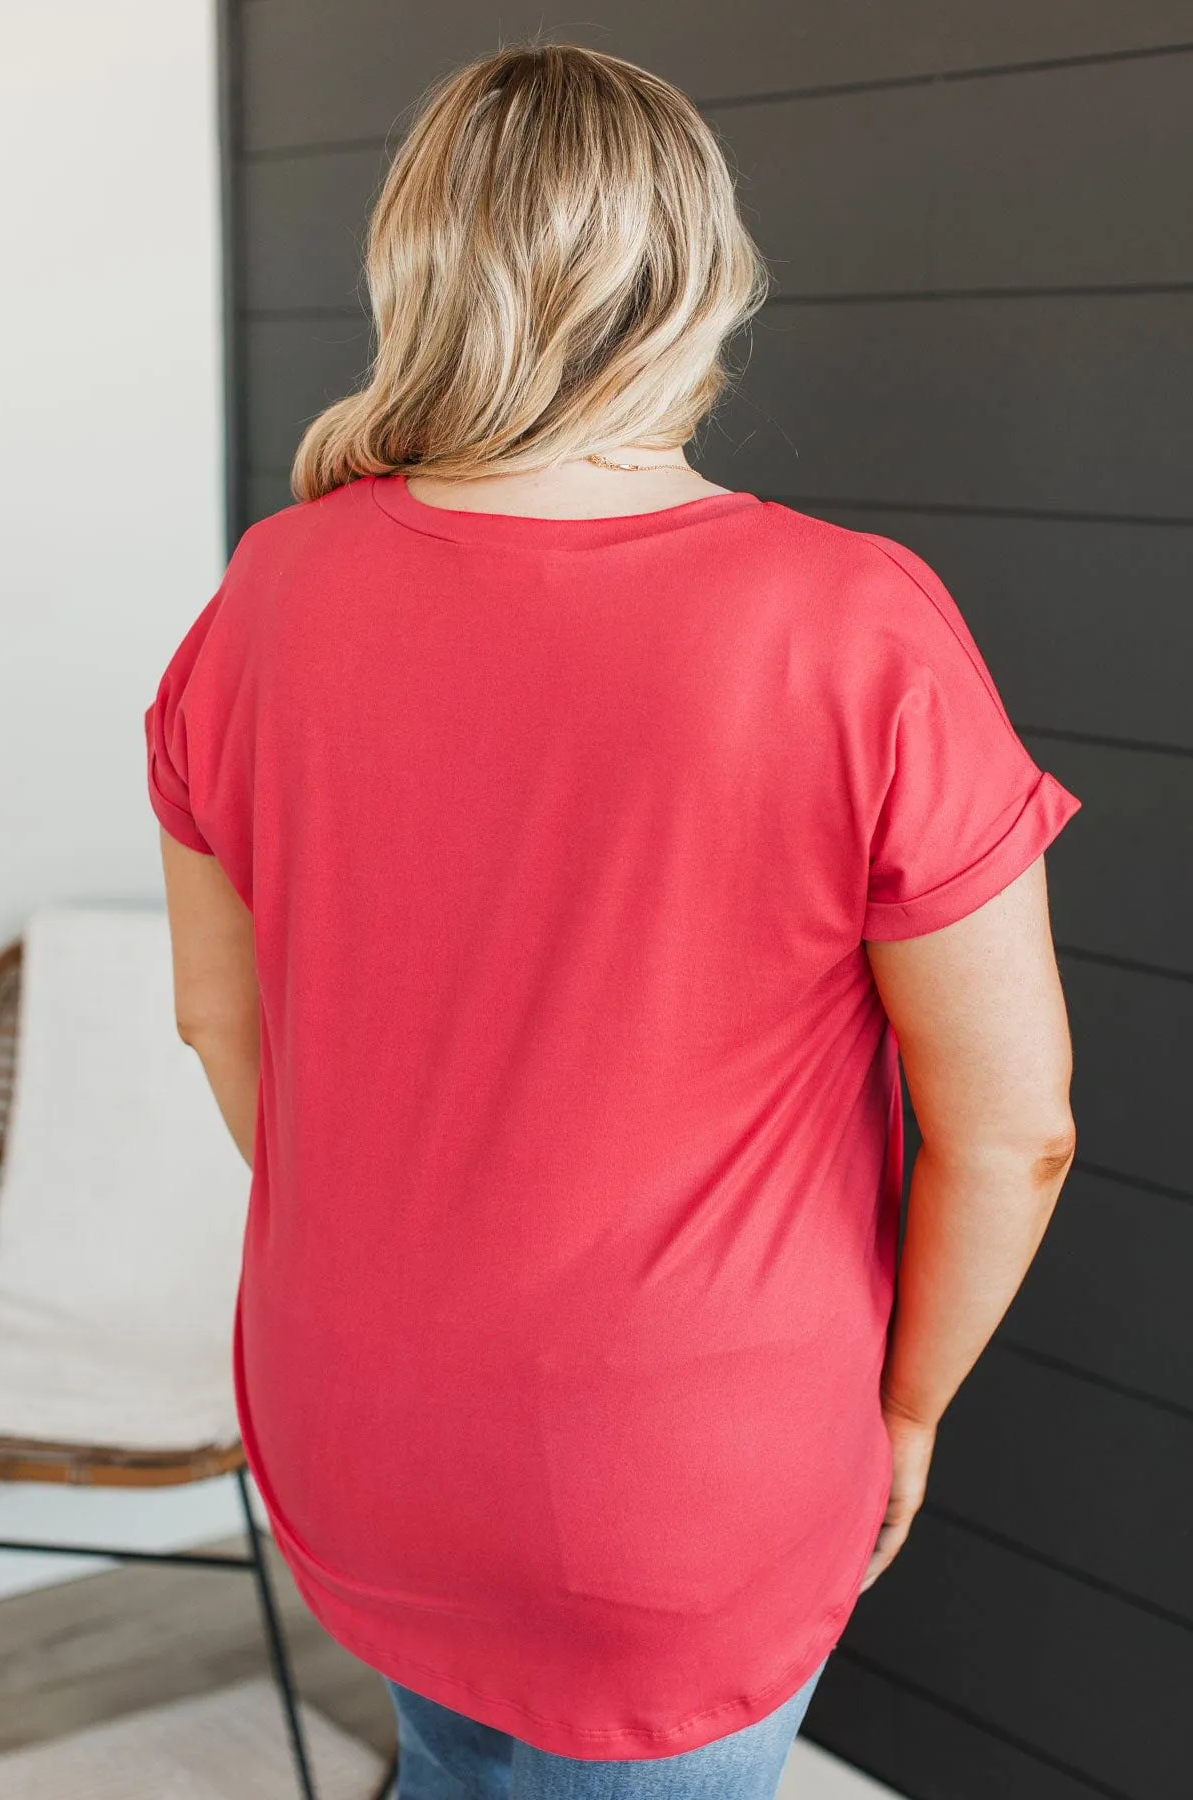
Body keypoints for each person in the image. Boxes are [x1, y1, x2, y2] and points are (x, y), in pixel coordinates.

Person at [145, 42, 1080, 1800]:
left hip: (357, 1419)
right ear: (700, 275)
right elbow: (1016, 1129)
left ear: (413, 266)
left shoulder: (270, 591)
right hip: (684, 1483)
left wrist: (392, 1248)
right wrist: (903, 1416)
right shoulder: (852, 626)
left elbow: (222, 1021)